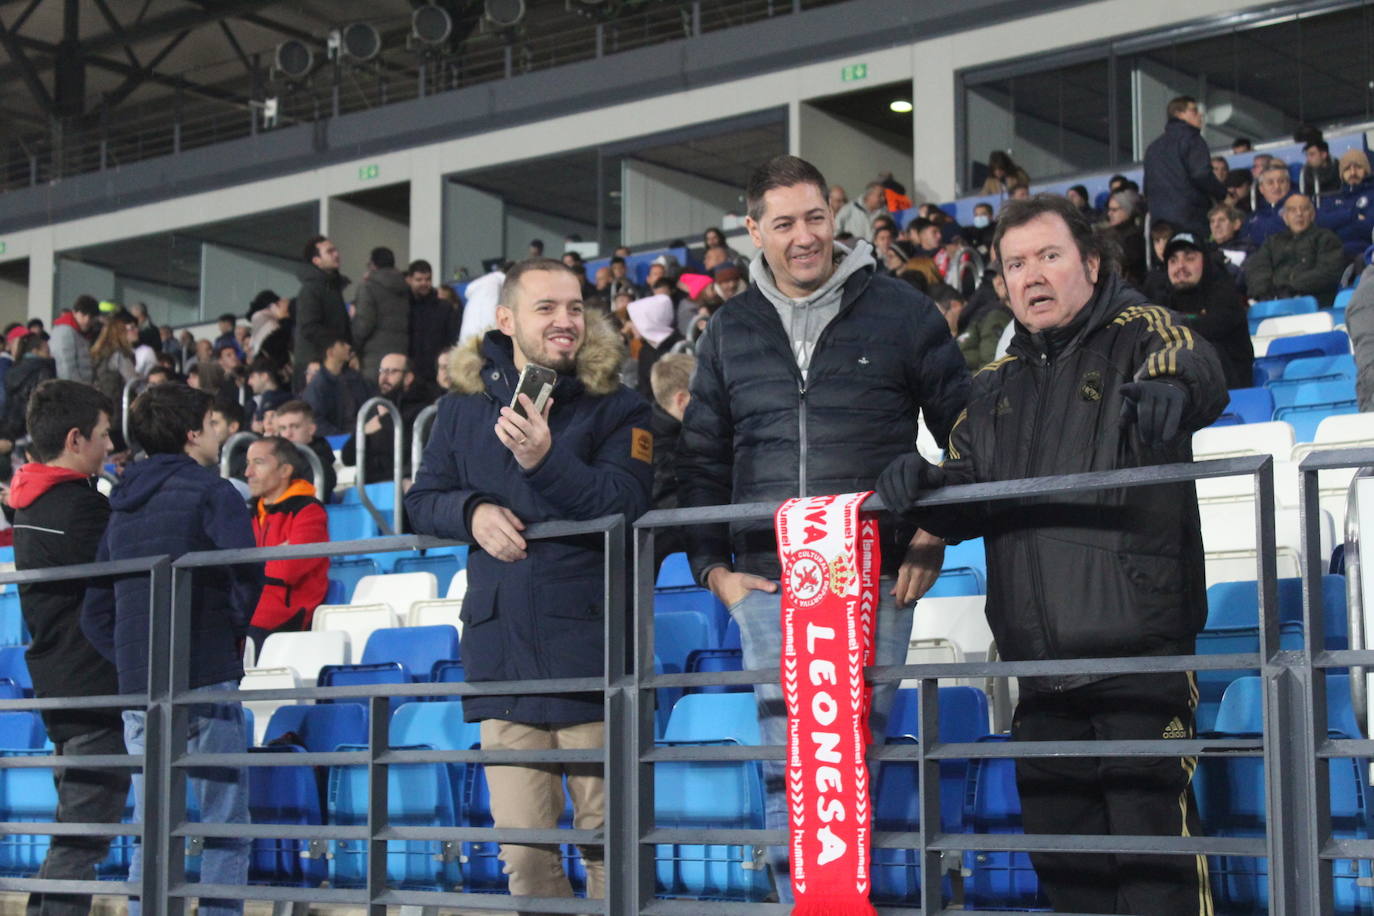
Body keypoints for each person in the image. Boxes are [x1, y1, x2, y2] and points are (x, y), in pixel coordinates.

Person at [877, 193, 1226, 916]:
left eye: (1050, 255)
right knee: (1070, 876)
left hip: (1140, 665)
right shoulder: (994, 386)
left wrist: (1170, 390)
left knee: (1153, 868)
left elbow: (1189, 358)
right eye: (1015, 264)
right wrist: (923, 489)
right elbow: (967, 487)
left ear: (1091, 264)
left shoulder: (1138, 330)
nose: (1032, 275)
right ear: (999, 285)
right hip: (1038, 677)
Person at [675, 154, 970, 901]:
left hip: (877, 570)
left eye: (816, 218)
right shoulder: (727, 331)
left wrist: (936, 529)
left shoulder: (903, 310)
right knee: (788, 767)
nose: (805, 237)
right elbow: (703, 457)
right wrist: (712, 571)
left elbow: (967, 428)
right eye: (783, 224)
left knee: (854, 760)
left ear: (833, 217)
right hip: (769, 581)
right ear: (752, 231)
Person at [404, 257, 653, 904]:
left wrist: (544, 461)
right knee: (524, 858)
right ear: (507, 319)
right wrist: (471, 511)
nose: (566, 321)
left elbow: (620, 502)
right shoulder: (461, 409)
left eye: (574, 307)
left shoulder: (621, 407)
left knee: (613, 845)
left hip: (597, 659)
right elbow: (421, 499)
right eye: (547, 308)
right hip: (502, 662)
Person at [82, 383, 263, 916]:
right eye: (212, 421)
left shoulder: (121, 507)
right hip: (204, 675)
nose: (220, 430)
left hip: (140, 686)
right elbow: (246, 573)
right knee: (224, 823)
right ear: (191, 432)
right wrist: (226, 636)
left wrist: (135, 658)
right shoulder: (213, 492)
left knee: (153, 828)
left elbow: (96, 611)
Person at [11, 380, 129, 916]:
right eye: (105, 435)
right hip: (91, 689)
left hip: (65, 684)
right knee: (81, 838)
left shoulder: (32, 500)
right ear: (77, 439)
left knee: (75, 832)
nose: (111, 446)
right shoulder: (77, 509)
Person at [245, 436, 330, 653]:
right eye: (248, 463)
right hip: (249, 610)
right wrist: (274, 555)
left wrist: (252, 562)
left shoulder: (309, 511)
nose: (248, 473)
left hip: (286, 618)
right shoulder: (249, 513)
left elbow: (288, 569)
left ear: (285, 471)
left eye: (258, 463)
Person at [1156, 232, 1254, 389]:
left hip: (1231, 397)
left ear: (1205, 262)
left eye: (1189, 258)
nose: (1180, 266)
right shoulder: (1160, 301)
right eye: (1173, 261)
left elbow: (1213, 327)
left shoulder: (1225, 295)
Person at [341, 353, 440, 484]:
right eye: (382, 371)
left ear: (408, 378)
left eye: (392, 371)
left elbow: (409, 453)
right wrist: (363, 433)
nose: (384, 377)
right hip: (367, 488)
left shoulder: (421, 411)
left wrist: (387, 421)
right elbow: (347, 458)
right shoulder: (372, 408)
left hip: (399, 487)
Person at [1143, 96, 1227, 239]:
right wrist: (1222, 194)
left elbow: (1147, 187)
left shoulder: (1152, 148)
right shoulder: (1192, 139)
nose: (1200, 115)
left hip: (1159, 222)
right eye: (1194, 111)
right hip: (1190, 217)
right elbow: (1201, 174)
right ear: (1178, 114)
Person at [1245, 194, 1348, 306]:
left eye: (1304, 209)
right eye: (1292, 210)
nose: (1299, 214)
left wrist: (1290, 286)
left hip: (1313, 301)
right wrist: (1263, 292)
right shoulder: (1272, 242)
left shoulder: (1326, 238)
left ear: (1312, 215)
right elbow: (1258, 269)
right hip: (1274, 301)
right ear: (1285, 217)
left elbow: (1328, 272)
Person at [293, 235, 350, 390]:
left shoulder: (332, 287)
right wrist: (337, 345)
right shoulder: (311, 290)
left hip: (332, 362)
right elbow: (309, 326)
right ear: (316, 260)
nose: (336, 254)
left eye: (335, 250)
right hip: (316, 364)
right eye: (330, 251)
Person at [352, 246, 410, 379]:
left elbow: (364, 323)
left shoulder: (368, 287)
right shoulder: (404, 288)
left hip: (374, 357)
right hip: (400, 354)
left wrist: (353, 347)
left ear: (372, 265)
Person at [404, 259, 462, 388]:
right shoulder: (402, 308)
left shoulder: (445, 308)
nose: (424, 283)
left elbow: (453, 338)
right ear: (409, 280)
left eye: (428, 279)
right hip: (411, 373)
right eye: (419, 280)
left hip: (436, 373)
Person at [302, 336, 374, 437]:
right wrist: (347, 437)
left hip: (364, 438)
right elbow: (316, 422)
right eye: (342, 344)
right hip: (339, 444)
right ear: (330, 352)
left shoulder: (357, 379)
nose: (348, 347)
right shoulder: (318, 386)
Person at [273, 400, 337, 504]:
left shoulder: (320, 466)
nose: (288, 434)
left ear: (311, 429)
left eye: (295, 426)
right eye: (283, 428)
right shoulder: (277, 460)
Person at [1318, 149, 1374, 260]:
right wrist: (1352, 214)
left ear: (1366, 170)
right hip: (1332, 253)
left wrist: (1338, 221)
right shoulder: (1332, 198)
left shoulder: (1372, 194)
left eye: (1358, 167)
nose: (1353, 172)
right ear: (1342, 174)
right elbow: (1321, 223)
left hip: (1364, 253)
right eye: (1347, 168)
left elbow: (1369, 227)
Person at [626, 294, 684, 400]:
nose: (630, 325)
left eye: (635, 320)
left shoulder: (680, 347)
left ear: (648, 322)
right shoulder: (646, 350)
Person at [3, 333, 57, 443]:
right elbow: (45, 401)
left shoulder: (14, 367)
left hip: (11, 428)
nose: (50, 354)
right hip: (31, 429)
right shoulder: (43, 369)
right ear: (35, 351)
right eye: (46, 350)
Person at [50, 295, 98, 384]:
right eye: (83, 315)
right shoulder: (65, 332)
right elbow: (65, 367)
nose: (87, 320)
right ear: (74, 313)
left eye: (91, 317)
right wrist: (78, 390)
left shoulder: (83, 332)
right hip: (72, 390)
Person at [1104, 189, 1148, 287]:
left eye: (1114, 210)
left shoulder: (1134, 239)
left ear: (1128, 210)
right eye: (1109, 209)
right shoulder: (1108, 233)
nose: (1109, 213)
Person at [1246, 163, 1295, 246]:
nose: (1277, 187)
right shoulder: (1253, 216)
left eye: (1281, 181)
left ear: (1289, 184)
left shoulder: (1301, 206)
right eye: (1270, 183)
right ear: (1261, 188)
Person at [1209, 202, 1256, 269]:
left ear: (1236, 224)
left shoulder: (1248, 250)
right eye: (1212, 221)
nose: (1216, 225)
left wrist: (1225, 261)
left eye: (1222, 220)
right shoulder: (1205, 250)